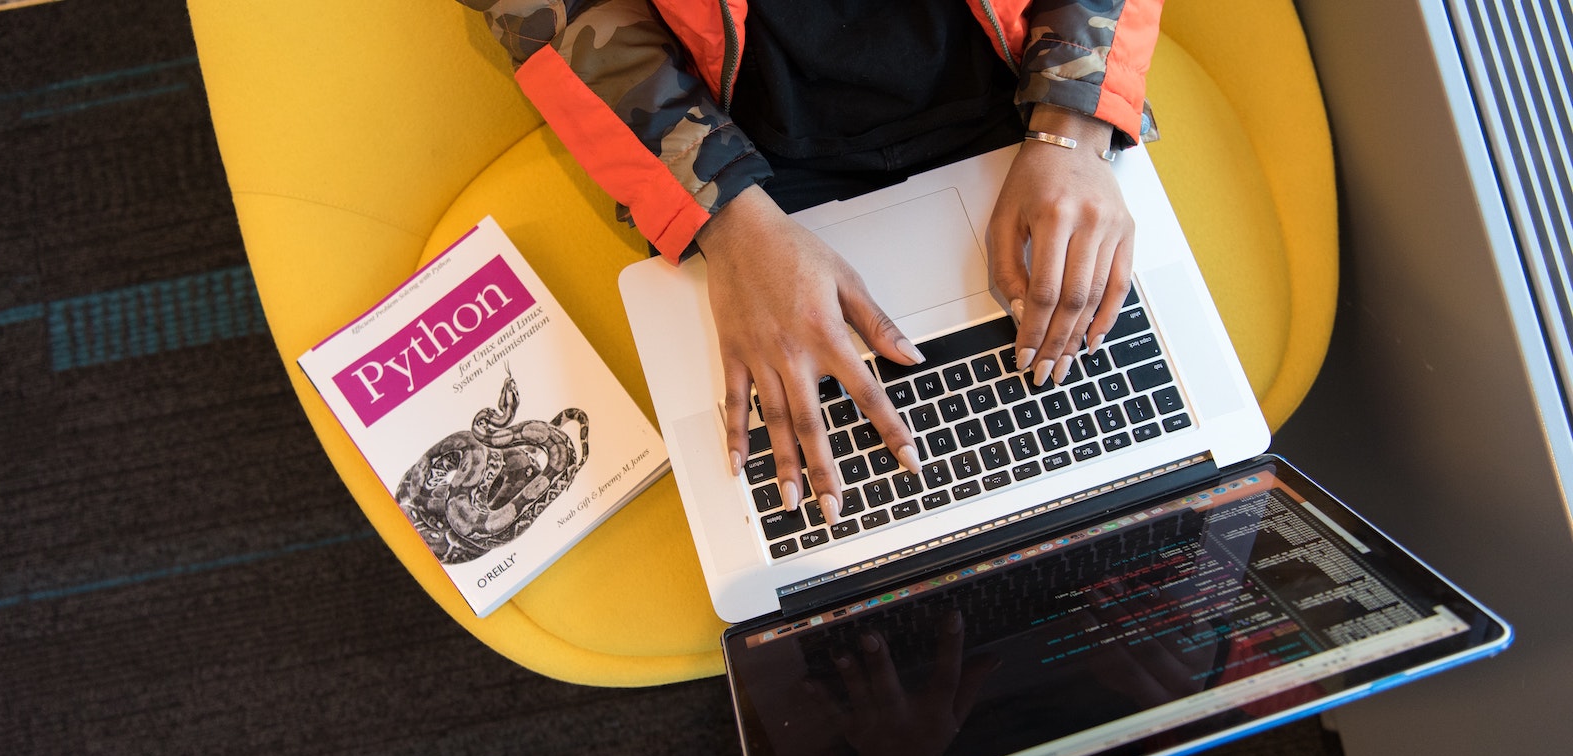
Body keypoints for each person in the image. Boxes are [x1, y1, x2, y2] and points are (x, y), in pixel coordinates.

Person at [460, 0, 1162, 530]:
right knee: (837, 543)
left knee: (1142, 495)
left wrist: (1074, 116)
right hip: (741, 158)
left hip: (1025, 93)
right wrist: (722, 208)